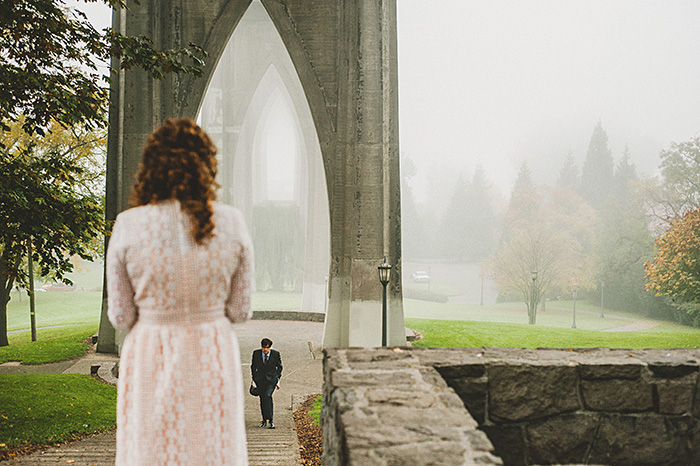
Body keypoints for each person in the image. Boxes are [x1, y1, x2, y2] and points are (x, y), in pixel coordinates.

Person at [107, 118, 254, 466]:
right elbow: (241, 310)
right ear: (207, 165)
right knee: (213, 449)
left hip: (150, 353)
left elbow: (121, 315)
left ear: (151, 168)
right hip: (212, 349)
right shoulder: (231, 222)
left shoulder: (128, 224)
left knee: (152, 449)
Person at [251, 338, 283, 429]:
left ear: (270, 347)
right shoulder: (256, 353)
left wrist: (277, 379)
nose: (265, 350)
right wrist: (254, 378)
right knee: (262, 399)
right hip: (260, 380)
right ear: (261, 347)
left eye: (267, 348)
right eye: (264, 348)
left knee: (268, 396)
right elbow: (253, 366)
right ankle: (264, 419)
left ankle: (271, 420)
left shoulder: (275, 354)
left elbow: (279, 367)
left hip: (271, 380)